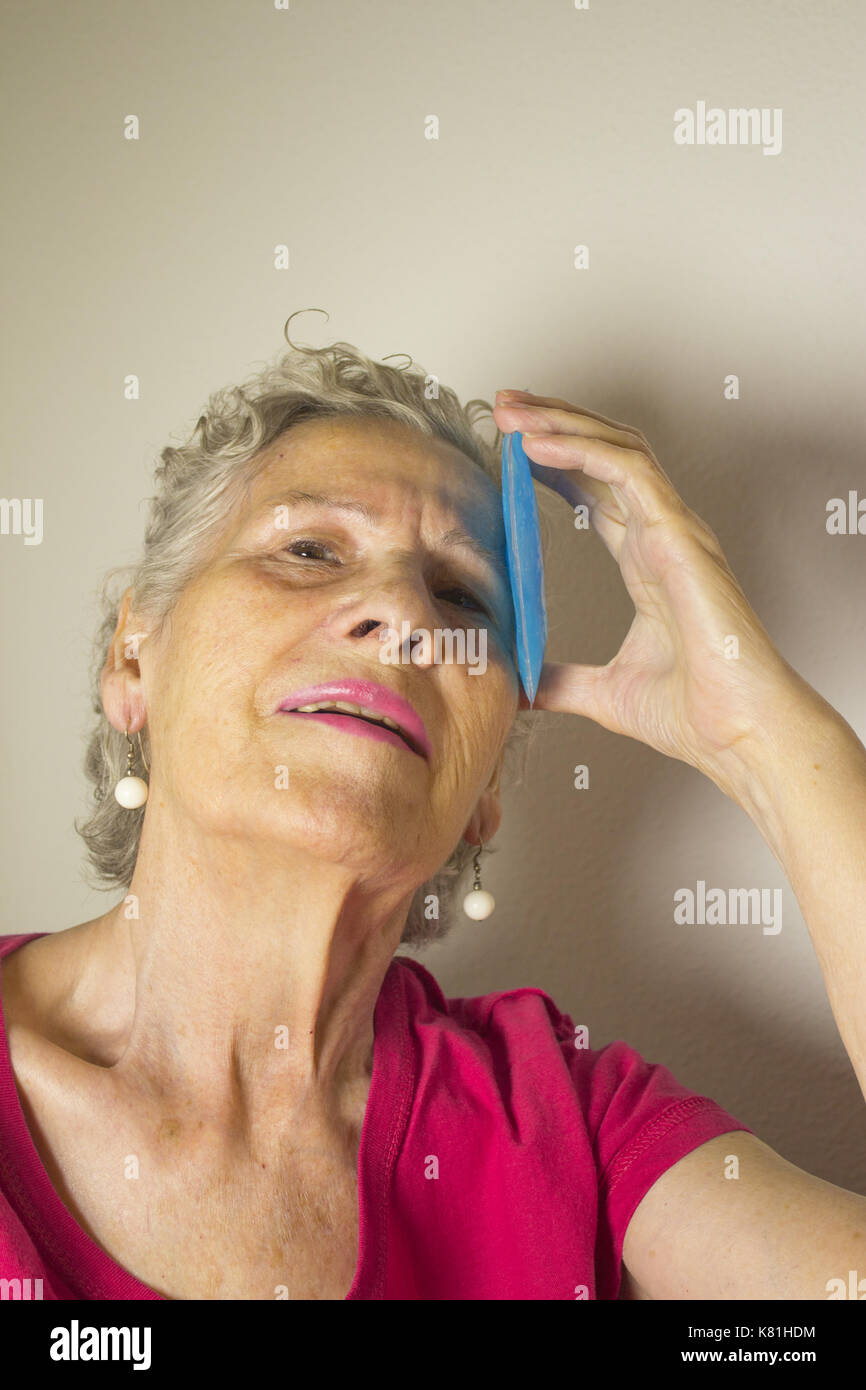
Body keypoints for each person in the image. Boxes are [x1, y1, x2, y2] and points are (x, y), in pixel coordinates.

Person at [2, 318, 865, 1300]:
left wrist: (760, 736)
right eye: (313, 548)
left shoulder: (570, 1125)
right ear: (133, 657)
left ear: (486, 787)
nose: (407, 620)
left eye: (459, 596)